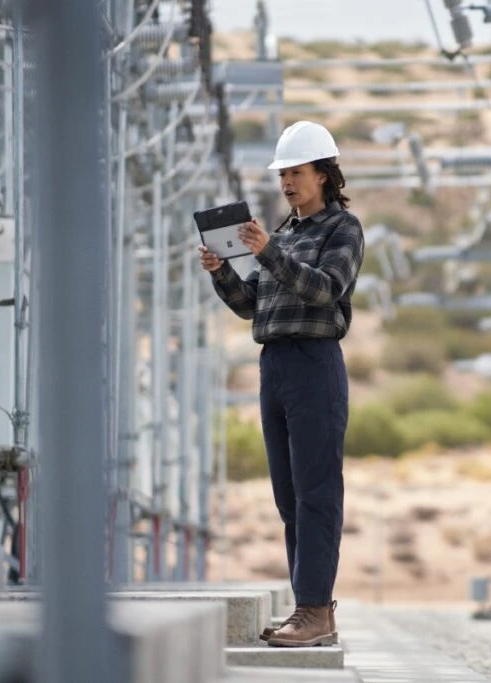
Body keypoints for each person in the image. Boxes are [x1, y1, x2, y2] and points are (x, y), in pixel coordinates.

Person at [199, 121, 364, 648]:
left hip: (315, 364)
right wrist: (222, 271)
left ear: (324, 174)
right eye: (283, 174)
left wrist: (268, 251)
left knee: (317, 493)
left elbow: (324, 289)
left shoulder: (343, 229)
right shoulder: (285, 234)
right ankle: (311, 611)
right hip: (275, 367)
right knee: (289, 498)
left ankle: (315, 610)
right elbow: (252, 305)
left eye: (296, 172)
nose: (287, 182)